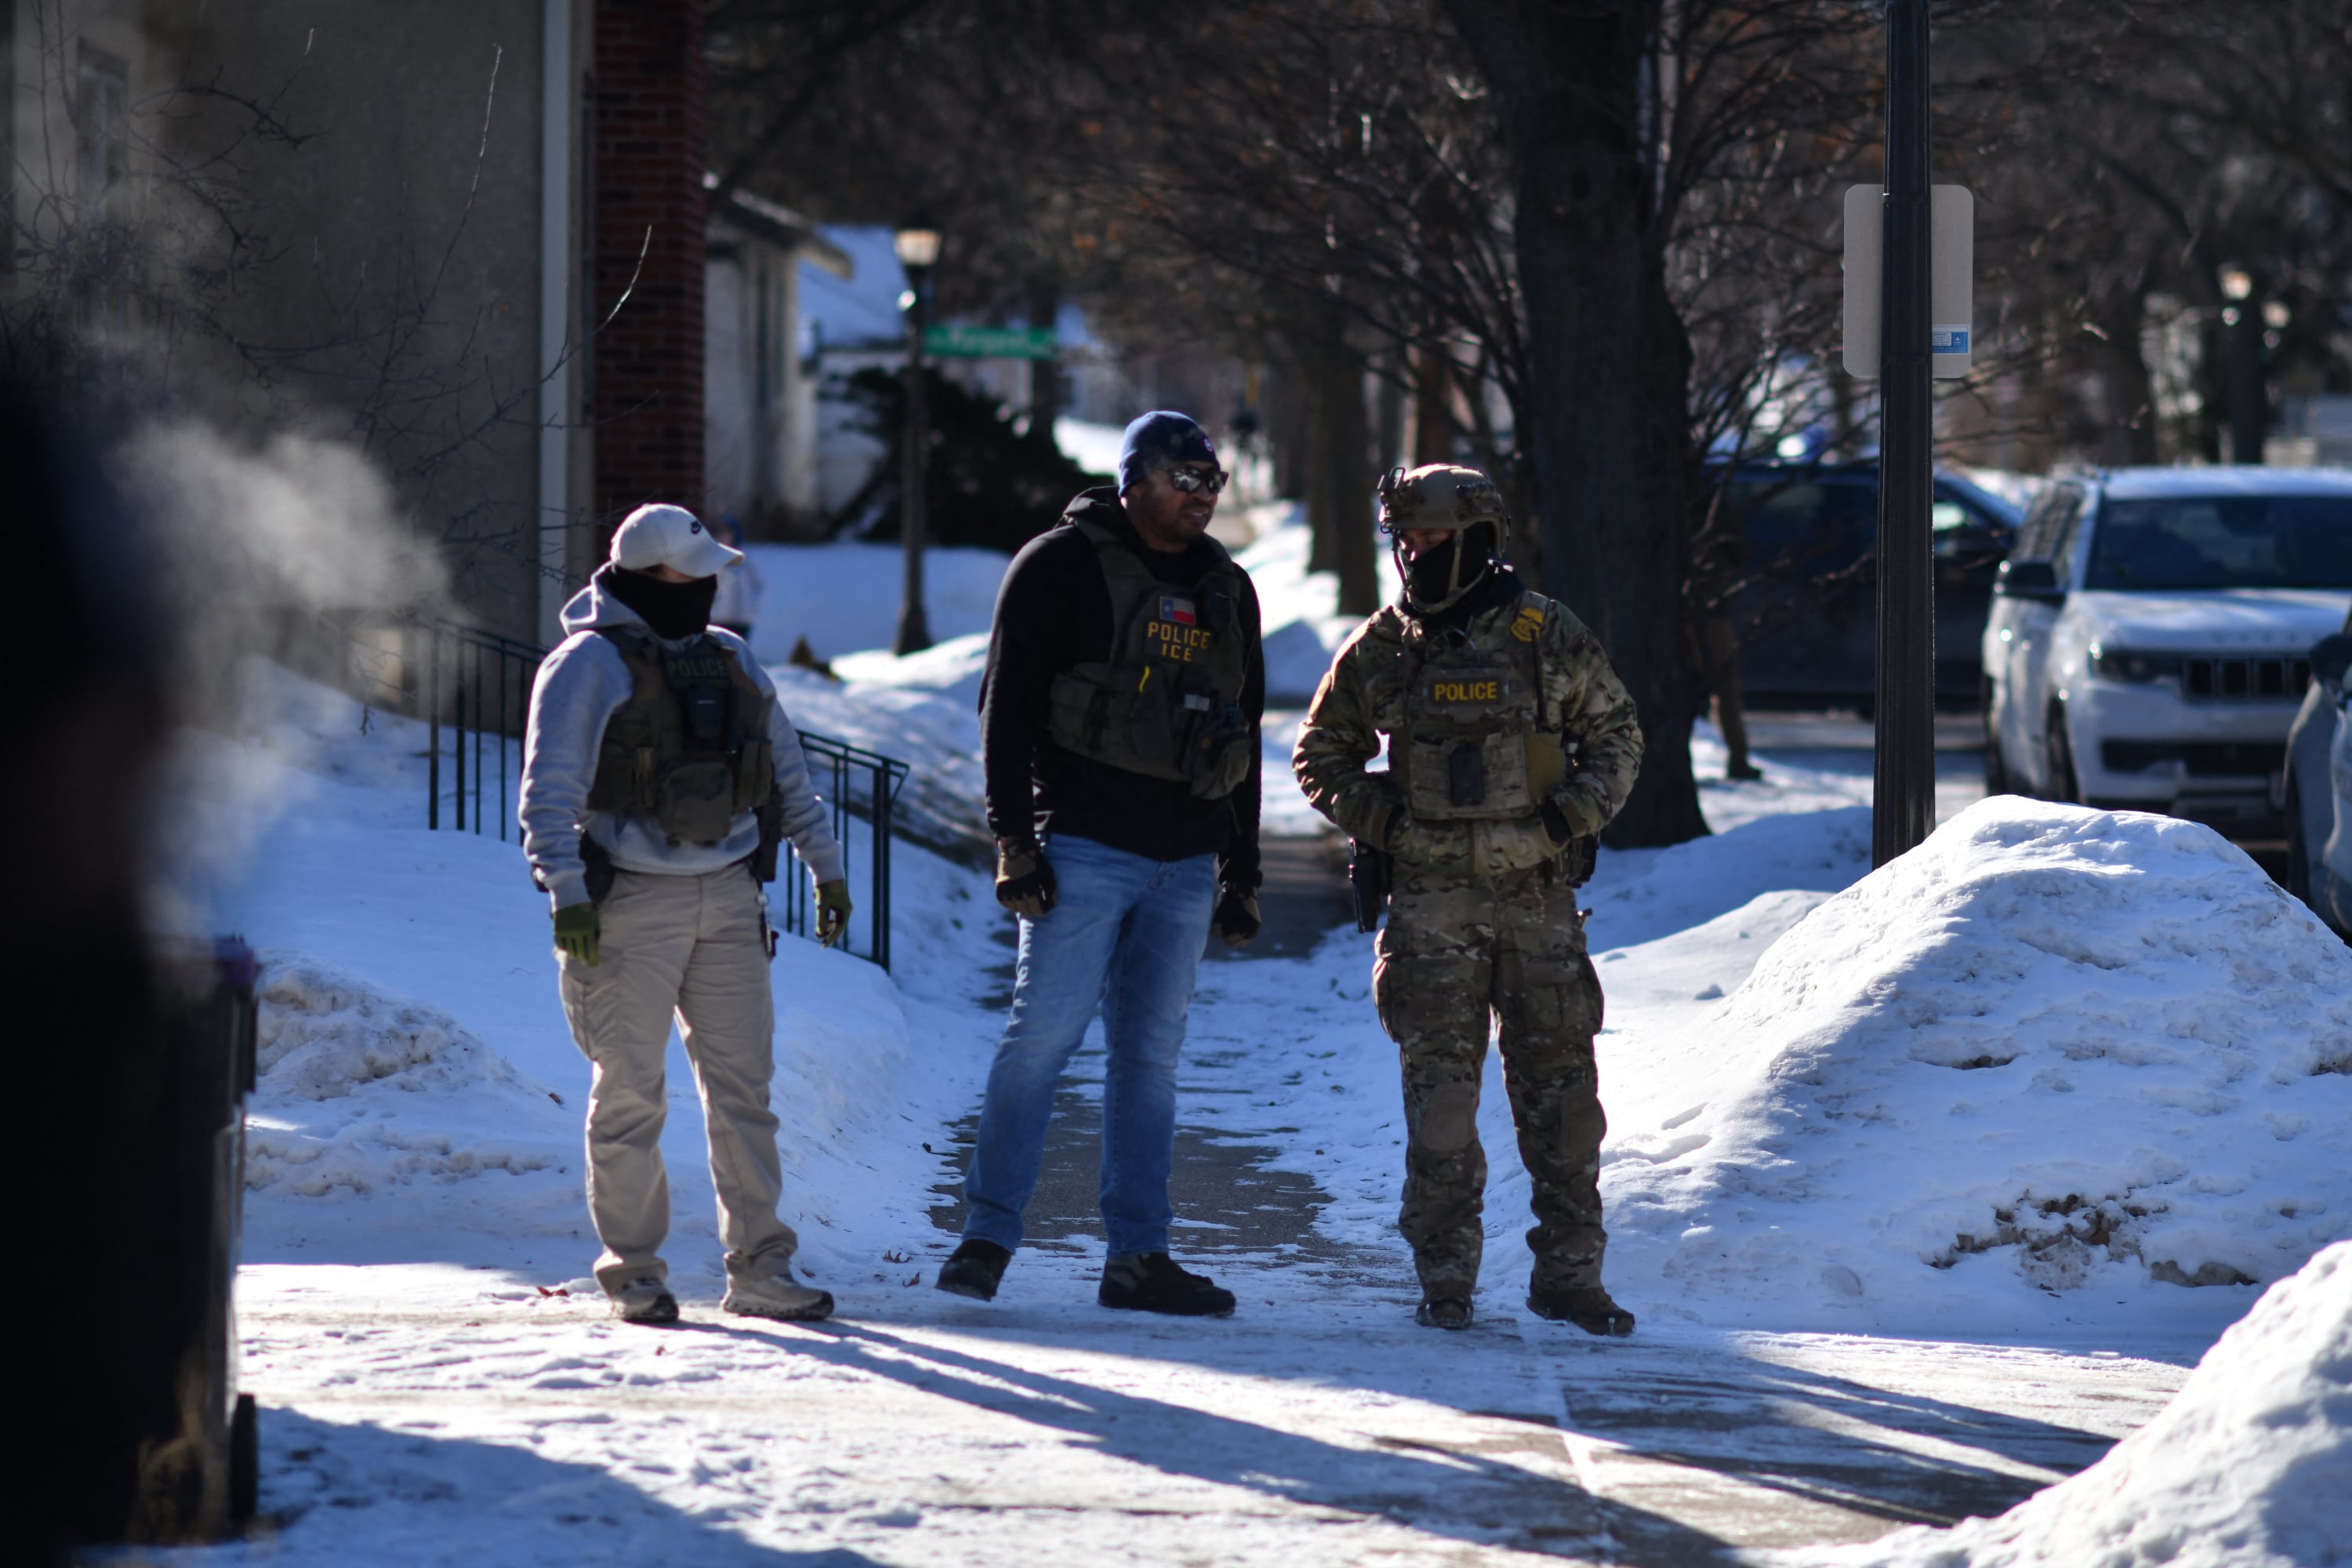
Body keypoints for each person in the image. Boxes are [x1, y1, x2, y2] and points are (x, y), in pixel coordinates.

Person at [1292, 463, 1644, 1335]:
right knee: (1442, 1109)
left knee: (1563, 1108)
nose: (1415, 554)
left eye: (1432, 538)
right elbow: (1318, 752)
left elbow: (1619, 735)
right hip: (1431, 913)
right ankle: (1445, 1277)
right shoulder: (1387, 644)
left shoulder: (1544, 633)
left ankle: (1570, 1277)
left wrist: (1565, 818)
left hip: (1538, 907)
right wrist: (1388, 824)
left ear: (1477, 537)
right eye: (1405, 540)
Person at [935, 410, 1265, 1316]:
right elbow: (1004, 710)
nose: (1202, 495)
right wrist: (1015, 838)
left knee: (1149, 1059)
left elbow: (1247, 731)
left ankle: (1138, 1258)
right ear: (1135, 479)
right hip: (1082, 846)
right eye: (1184, 478)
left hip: (1186, 857)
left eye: (1213, 480)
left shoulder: (1228, 587)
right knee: (1040, 1038)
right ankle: (988, 1235)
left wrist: (1243, 870)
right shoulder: (1059, 564)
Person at [521, 503, 855, 1326]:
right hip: (627, 905)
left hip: (733, 899)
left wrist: (828, 869)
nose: (711, 587)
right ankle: (634, 1270)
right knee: (630, 1093)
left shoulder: (731, 657)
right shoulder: (586, 664)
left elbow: (787, 772)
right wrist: (565, 893)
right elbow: (547, 790)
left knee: (745, 1091)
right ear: (653, 577)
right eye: (696, 573)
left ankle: (761, 1269)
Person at [710, 514, 764, 641]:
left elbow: (760, 586)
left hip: (742, 619)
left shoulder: (747, 559)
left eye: (727, 533)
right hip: (719, 618)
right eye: (721, 534)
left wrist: (752, 607)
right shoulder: (715, 557)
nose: (724, 537)